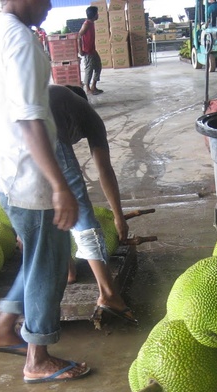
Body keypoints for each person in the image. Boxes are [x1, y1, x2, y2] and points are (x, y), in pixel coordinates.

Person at [0, 0, 91, 383]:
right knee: (49, 265)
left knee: (36, 258)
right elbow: (28, 118)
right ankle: (38, 358)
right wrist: (58, 186)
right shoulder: (20, 41)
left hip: (6, 175)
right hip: (33, 178)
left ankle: (3, 330)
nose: (50, 5)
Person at [48, 84, 137, 325]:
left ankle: (68, 270)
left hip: (16, 129)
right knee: (79, 211)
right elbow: (104, 169)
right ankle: (109, 295)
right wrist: (118, 216)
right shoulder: (88, 114)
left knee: (50, 205)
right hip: (41, 124)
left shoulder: (64, 103)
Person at [78, 6, 103, 95]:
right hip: (87, 51)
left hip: (93, 50)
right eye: (97, 13)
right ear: (94, 14)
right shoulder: (87, 24)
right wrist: (80, 49)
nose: (98, 15)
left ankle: (93, 86)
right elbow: (79, 36)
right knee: (89, 69)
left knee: (98, 66)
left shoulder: (91, 23)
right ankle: (88, 89)